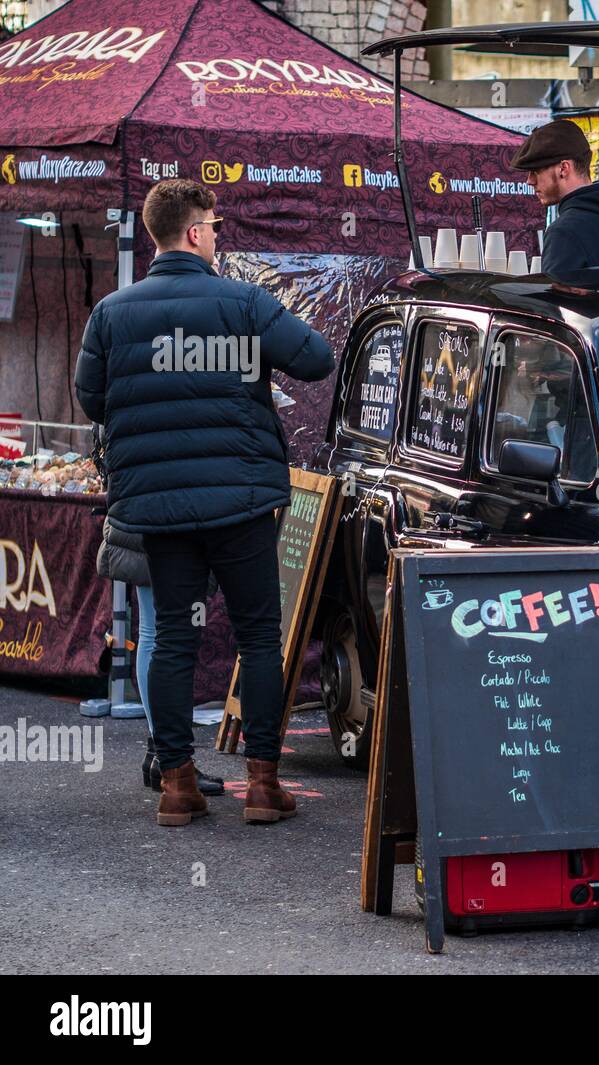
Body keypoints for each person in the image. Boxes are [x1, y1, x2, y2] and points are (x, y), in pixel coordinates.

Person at [75, 179, 334, 828]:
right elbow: (314, 358)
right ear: (194, 232)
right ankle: (265, 784)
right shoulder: (243, 302)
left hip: (157, 506)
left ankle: (177, 785)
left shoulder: (112, 313)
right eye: (215, 227)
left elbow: (91, 398)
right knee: (258, 635)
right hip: (240, 502)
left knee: (172, 644)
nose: (219, 237)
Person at [96, 502, 225, 796]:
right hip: (167, 513)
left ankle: (160, 752)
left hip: (139, 508)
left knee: (153, 632)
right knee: (169, 635)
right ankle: (169, 758)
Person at [509, 119, 599, 283]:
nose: (530, 181)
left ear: (564, 168)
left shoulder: (564, 232)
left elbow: (555, 306)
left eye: (535, 171)